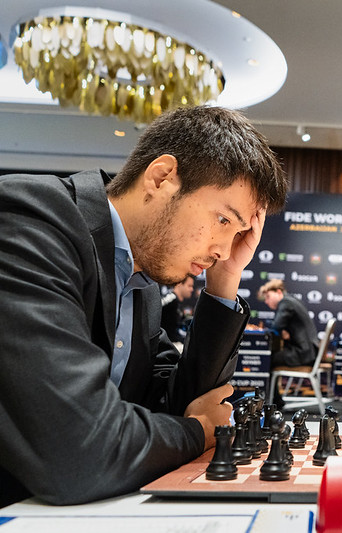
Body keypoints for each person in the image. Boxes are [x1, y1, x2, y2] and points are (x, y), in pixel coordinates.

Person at [0, 105, 288, 508]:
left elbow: (174, 403)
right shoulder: (33, 223)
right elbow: (77, 450)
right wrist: (202, 431)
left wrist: (224, 280)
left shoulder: (142, 279)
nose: (225, 249)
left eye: (238, 232)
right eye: (224, 220)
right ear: (161, 177)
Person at [258, 279, 319, 409]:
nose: (266, 301)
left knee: (266, 360)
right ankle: (276, 401)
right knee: (270, 358)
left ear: (278, 292)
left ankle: (271, 403)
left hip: (303, 353)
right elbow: (279, 329)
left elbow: (275, 327)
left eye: (268, 296)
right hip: (307, 351)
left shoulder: (286, 303)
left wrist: (280, 330)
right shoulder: (291, 301)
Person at [160, 275, 196, 344]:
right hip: (164, 346)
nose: (192, 289)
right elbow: (153, 309)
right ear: (179, 284)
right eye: (189, 286)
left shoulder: (178, 303)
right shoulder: (171, 298)